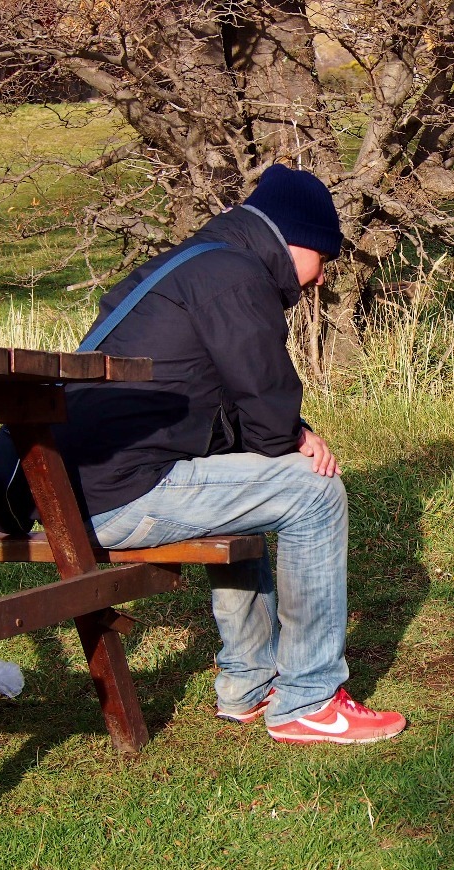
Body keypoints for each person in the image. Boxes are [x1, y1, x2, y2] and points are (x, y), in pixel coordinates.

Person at [55, 164, 406, 745]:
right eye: (324, 257)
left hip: (79, 489)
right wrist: (294, 436)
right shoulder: (235, 277)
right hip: (119, 495)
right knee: (314, 492)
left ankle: (249, 682)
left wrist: (286, 433)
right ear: (295, 240)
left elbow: (244, 418)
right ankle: (309, 699)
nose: (321, 278)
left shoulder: (192, 264)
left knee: (254, 481)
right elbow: (266, 412)